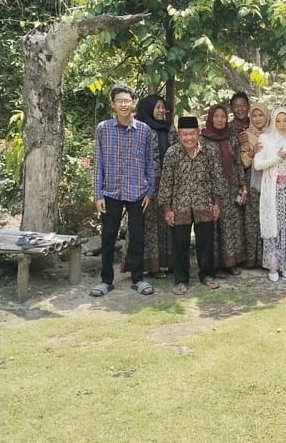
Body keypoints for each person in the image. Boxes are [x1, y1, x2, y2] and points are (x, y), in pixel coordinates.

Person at [90, 84, 154, 297]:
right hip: (111, 192)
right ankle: (106, 281)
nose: (124, 104)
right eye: (119, 101)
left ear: (133, 102)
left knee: (137, 236)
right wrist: (98, 193)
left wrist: (150, 191)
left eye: (127, 100)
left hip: (137, 191)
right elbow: (98, 162)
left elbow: (149, 163)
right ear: (113, 104)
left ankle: (138, 279)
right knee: (108, 237)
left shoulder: (144, 130)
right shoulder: (103, 129)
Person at [158, 116, 221, 294]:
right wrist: (167, 209)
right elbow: (166, 183)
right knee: (179, 245)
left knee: (206, 242)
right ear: (179, 135)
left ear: (198, 133)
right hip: (180, 205)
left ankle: (207, 275)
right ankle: (180, 280)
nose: (189, 138)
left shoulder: (210, 151)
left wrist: (217, 203)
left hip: (204, 203)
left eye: (192, 133)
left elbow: (217, 178)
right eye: (184, 134)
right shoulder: (172, 153)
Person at [122, 94, 176, 279]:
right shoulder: (140, 129)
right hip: (145, 184)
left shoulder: (169, 129)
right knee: (148, 224)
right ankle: (148, 266)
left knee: (166, 223)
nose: (161, 111)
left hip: (168, 183)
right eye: (157, 107)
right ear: (148, 108)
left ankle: (165, 263)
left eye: (163, 107)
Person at [200, 104, 247, 274]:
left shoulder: (231, 138)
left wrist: (242, 185)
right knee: (212, 225)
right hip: (211, 190)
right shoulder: (203, 140)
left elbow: (238, 163)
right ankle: (214, 264)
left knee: (230, 225)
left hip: (231, 188)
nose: (220, 120)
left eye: (223, 116)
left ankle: (231, 262)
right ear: (211, 118)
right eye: (216, 116)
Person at [254, 107, 286, 282]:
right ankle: (273, 266)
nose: (282, 124)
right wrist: (277, 158)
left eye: (285, 120)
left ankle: (285, 265)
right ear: (273, 121)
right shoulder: (265, 138)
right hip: (271, 191)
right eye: (278, 120)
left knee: (285, 227)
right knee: (272, 228)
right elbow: (258, 165)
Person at [242, 103, 271, 268]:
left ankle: (266, 259)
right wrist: (252, 153)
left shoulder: (274, 134)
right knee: (252, 221)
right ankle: (252, 259)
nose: (258, 119)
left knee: (267, 220)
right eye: (254, 116)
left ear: (267, 116)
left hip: (270, 182)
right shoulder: (245, 135)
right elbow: (242, 161)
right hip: (251, 183)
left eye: (261, 115)